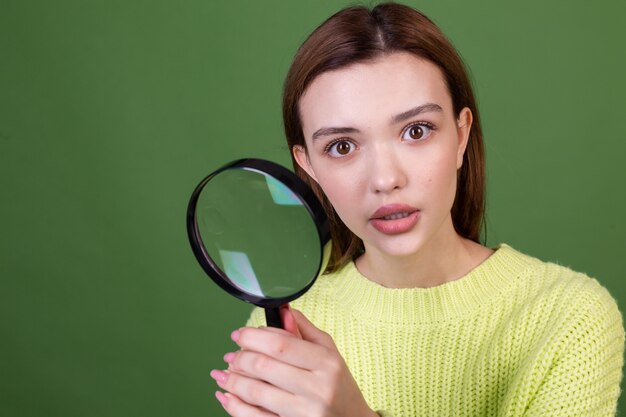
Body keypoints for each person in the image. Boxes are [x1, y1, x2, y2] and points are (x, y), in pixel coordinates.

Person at [210, 3, 625, 416]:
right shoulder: (289, 327)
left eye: (416, 131)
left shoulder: (569, 316)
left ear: (461, 136)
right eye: (342, 146)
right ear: (308, 167)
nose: (386, 179)